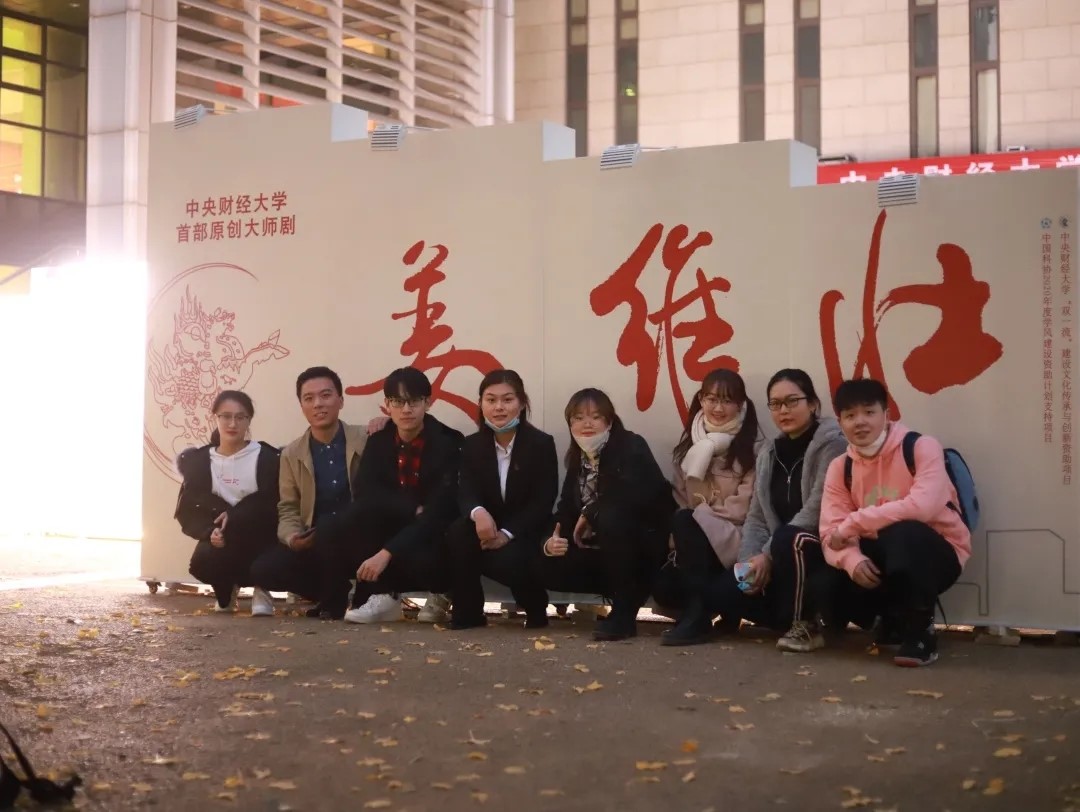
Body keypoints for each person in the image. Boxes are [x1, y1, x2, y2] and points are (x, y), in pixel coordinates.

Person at [820, 378, 970, 667]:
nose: (860, 422)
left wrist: (853, 524)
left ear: (887, 414)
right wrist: (852, 561)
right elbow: (830, 533)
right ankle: (889, 619)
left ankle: (920, 632)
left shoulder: (921, 447)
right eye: (850, 415)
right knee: (825, 571)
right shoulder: (840, 467)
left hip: (937, 553)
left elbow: (921, 508)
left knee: (903, 533)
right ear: (840, 422)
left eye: (869, 412)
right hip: (883, 556)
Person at [311, 367, 464, 623]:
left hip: (431, 535)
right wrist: (410, 508)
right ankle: (380, 596)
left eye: (414, 401)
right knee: (343, 521)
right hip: (394, 524)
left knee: (428, 550)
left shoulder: (449, 442)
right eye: (398, 402)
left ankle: (440, 591)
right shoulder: (379, 440)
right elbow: (366, 492)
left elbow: (441, 509)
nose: (406, 409)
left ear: (428, 402)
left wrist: (386, 553)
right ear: (387, 405)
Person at [717, 369, 848, 652]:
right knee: (725, 591)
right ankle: (784, 618)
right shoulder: (769, 452)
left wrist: (767, 555)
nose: (783, 410)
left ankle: (807, 623)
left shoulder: (833, 446)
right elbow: (756, 516)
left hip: (819, 550)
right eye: (775, 404)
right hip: (777, 555)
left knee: (789, 538)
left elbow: (816, 510)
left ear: (812, 404)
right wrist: (750, 563)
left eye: (792, 401)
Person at [538, 388, 676, 641]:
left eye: (595, 417)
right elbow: (566, 509)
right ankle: (610, 597)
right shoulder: (579, 460)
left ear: (609, 421)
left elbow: (638, 496)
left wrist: (591, 512)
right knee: (545, 561)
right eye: (578, 418)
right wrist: (551, 542)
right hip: (600, 551)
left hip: (642, 548)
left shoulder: (632, 446)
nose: (586, 424)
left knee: (611, 517)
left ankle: (624, 613)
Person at [249, 366, 368, 616]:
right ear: (301, 406)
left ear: (340, 400)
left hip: (360, 536)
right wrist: (293, 537)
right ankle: (335, 592)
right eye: (309, 398)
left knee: (333, 527)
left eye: (326, 395)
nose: (318, 404)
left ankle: (341, 599)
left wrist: (386, 421)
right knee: (264, 569)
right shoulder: (291, 454)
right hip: (317, 540)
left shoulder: (365, 438)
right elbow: (288, 506)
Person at [448, 370, 557, 630]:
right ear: (481, 404)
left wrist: (507, 534)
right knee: (458, 533)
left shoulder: (541, 444)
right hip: (487, 526)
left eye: (507, 400)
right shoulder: (472, 445)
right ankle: (468, 613)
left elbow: (543, 501)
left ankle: (535, 608)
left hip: (524, 529)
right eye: (491, 400)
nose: (499, 407)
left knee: (507, 560)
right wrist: (478, 512)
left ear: (522, 403)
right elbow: (466, 490)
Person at [659, 369, 762, 645]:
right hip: (696, 543)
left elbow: (743, 509)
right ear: (701, 400)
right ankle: (703, 614)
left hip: (736, 541)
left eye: (727, 401)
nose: (718, 408)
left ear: (741, 405)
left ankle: (697, 619)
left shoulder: (754, 451)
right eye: (711, 399)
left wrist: (700, 516)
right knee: (664, 587)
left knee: (687, 520)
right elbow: (681, 501)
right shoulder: (688, 450)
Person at [176, 390, 280, 616]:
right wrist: (209, 531)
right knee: (201, 561)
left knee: (268, 560)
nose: (233, 424)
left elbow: (275, 502)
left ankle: (262, 587)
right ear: (215, 417)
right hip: (223, 539)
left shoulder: (267, 457)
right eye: (226, 416)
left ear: (249, 420)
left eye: (240, 417)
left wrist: (238, 514)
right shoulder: (200, 461)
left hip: (261, 536)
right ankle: (226, 587)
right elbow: (187, 510)